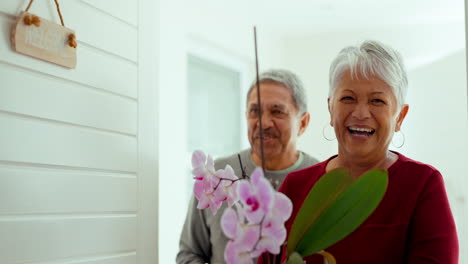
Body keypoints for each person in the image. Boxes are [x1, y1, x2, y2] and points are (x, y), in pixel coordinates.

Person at [278, 41, 459, 263]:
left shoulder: (422, 185)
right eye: (348, 98)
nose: (361, 113)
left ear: (400, 117)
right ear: (330, 108)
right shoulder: (294, 187)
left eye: (377, 101)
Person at [177, 69, 320, 264]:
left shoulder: (322, 179)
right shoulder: (216, 178)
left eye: (277, 111)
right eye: (255, 111)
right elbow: (189, 254)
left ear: (302, 123)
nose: (264, 123)